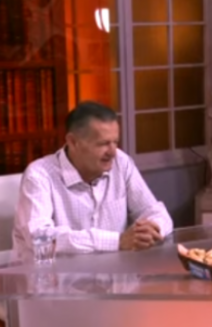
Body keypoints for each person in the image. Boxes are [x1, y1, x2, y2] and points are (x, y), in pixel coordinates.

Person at [13, 101, 174, 260]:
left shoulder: (121, 163)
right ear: (73, 142)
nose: (113, 152)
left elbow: (157, 213)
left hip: (116, 273)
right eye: (103, 144)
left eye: (115, 142)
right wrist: (117, 241)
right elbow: (40, 238)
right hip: (55, 275)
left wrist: (151, 230)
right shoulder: (39, 175)